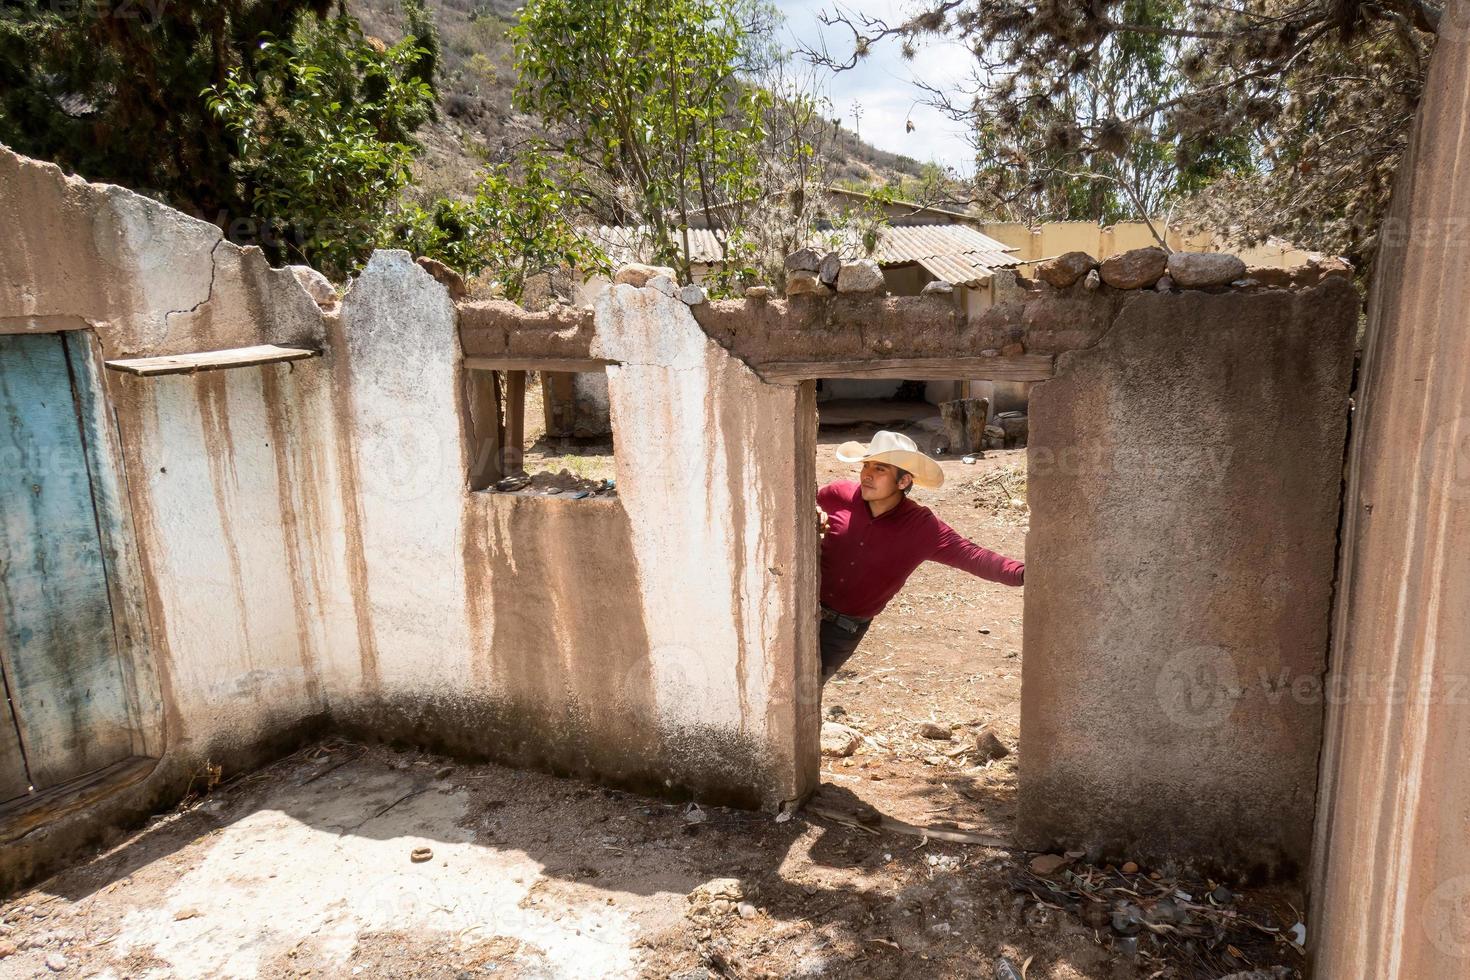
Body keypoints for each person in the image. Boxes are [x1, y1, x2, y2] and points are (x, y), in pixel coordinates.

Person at [817, 430, 1024, 682]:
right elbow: (800, 505)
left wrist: (1023, 573)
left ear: (903, 482)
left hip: (842, 630)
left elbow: (973, 555)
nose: (866, 474)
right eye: (866, 465)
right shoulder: (838, 494)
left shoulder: (921, 527)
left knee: (805, 689)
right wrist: (814, 512)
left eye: (880, 469)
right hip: (801, 608)